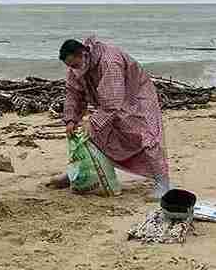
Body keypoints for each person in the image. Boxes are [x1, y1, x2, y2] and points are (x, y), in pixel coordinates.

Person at [50, 37, 171, 196]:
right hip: (109, 99)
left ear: (84, 54)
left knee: (143, 136)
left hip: (135, 95)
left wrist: (92, 122)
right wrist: (71, 119)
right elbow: (73, 93)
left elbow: (112, 103)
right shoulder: (77, 66)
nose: (73, 70)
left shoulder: (109, 62)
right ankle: (77, 174)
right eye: (69, 66)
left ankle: (162, 182)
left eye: (74, 65)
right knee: (89, 134)